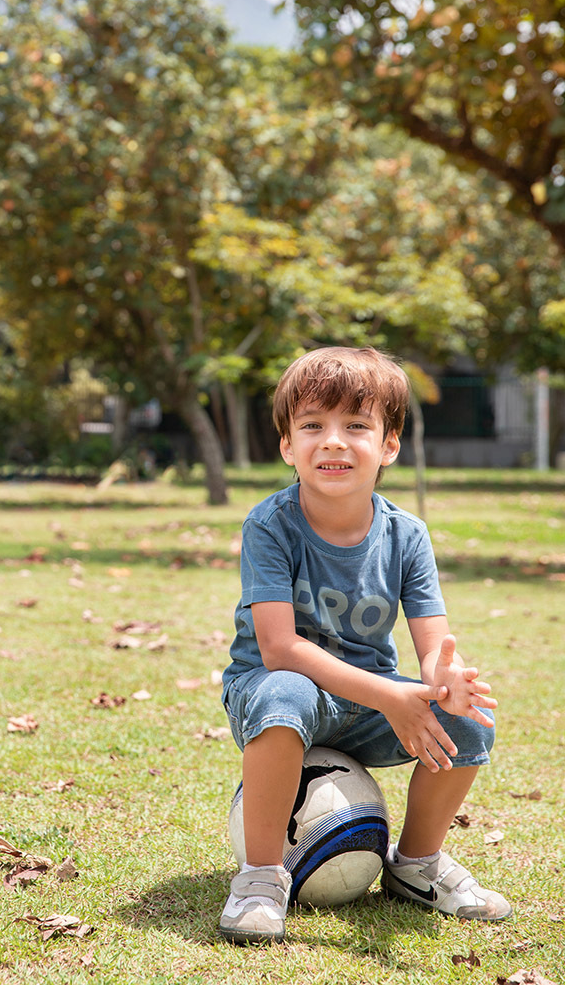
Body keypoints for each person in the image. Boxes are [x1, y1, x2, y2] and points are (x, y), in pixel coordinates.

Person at [219, 346, 511, 945]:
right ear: (286, 446)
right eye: (312, 427)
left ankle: (416, 864)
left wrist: (444, 684)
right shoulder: (270, 525)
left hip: (365, 700)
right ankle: (260, 877)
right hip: (276, 691)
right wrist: (390, 697)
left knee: (470, 722)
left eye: (356, 426)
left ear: (389, 445)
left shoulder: (407, 535)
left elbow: (432, 645)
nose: (333, 442)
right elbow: (278, 649)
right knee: (286, 693)